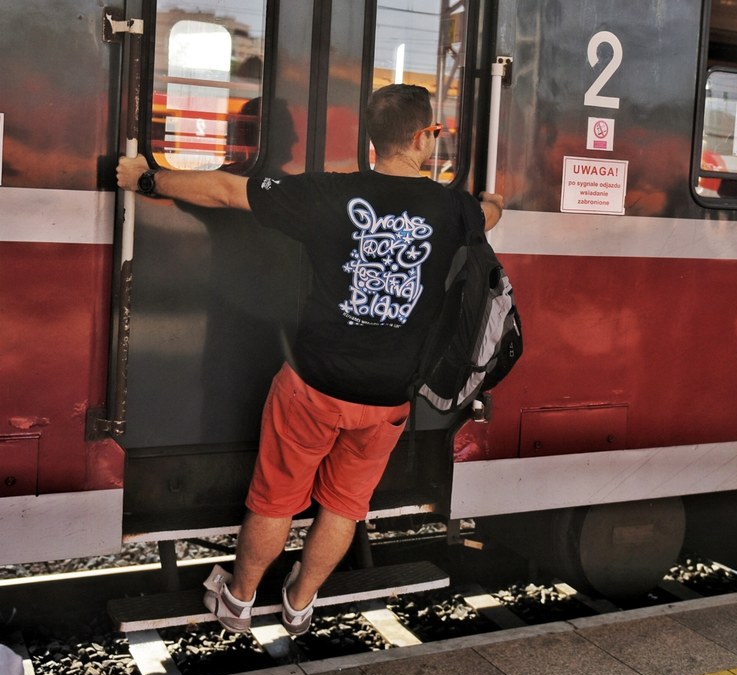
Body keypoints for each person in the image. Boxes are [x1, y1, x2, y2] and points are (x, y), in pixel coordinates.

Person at [116, 84, 505, 636]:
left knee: (275, 500)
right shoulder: (452, 207)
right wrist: (495, 202)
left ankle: (239, 601)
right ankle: (300, 604)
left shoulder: (330, 193)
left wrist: (146, 178)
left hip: (314, 384)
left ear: (372, 140)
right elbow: (489, 213)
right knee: (345, 506)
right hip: (390, 397)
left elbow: (228, 192)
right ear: (424, 137)